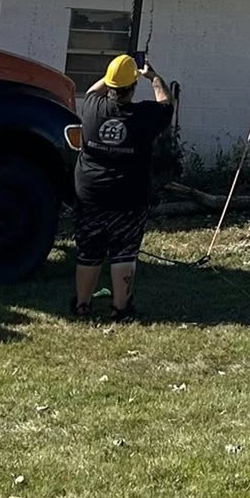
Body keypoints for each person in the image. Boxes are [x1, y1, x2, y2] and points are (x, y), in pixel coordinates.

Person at [69, 53, 174, 321]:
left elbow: (94, 89)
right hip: (128, 199)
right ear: (133, 88)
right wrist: (152, 76)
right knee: (124, 252)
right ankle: (121, 309)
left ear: (110, 85)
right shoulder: (144, 116)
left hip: (89, 195)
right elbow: (166, 102)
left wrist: (110, 75)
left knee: (89, 252)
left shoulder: (91, 107)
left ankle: (82, 306)